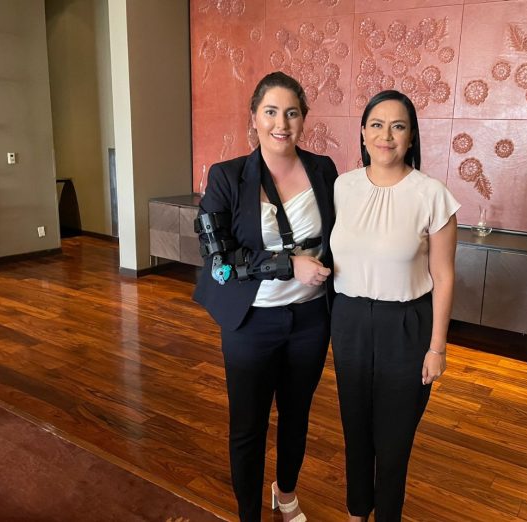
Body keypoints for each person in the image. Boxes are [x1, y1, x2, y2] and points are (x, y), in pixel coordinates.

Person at [193, 71, 337, 522]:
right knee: (248, 426)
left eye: (292, 113)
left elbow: (341, 234)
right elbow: (219, 259)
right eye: (271, 111)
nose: (281, 123)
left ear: (304, 119)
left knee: (296, 417)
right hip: (251, 322)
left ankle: (286, 493)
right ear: (254, 117)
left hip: (311, 320)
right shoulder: (228, 176)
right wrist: (288, 265)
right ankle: (248, 514)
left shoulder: (323, 169)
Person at [329, 90, 460, 521]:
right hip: (349, 321)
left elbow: (444, 276)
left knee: (393, 442)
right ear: (363, 132)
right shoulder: (342, 187)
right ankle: (356, 513)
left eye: (398, 126)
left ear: (411, 136)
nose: (386, 135)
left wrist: (437, 347)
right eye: (377, 125)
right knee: (355, 431)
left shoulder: (432, 194)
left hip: (406, 325)